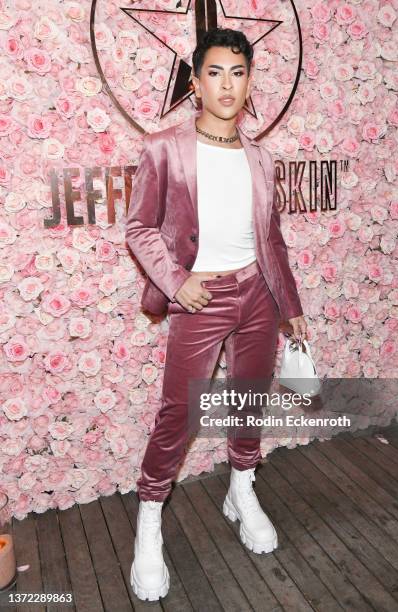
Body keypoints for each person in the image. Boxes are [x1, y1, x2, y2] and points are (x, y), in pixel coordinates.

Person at [125, 27, 308, 602]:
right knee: (179, 412)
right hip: (200, 302)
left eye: (238, 72)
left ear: (250, 82)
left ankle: (242, 488)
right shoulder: (165, 148)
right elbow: (139, 228)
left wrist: (292, 306)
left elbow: (271, 237)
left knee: (250, 399)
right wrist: (179, 283)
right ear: (196, 82)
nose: (227, 85)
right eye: (215, 73)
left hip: (260, 296)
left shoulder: (261, 156)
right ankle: (150, 519)